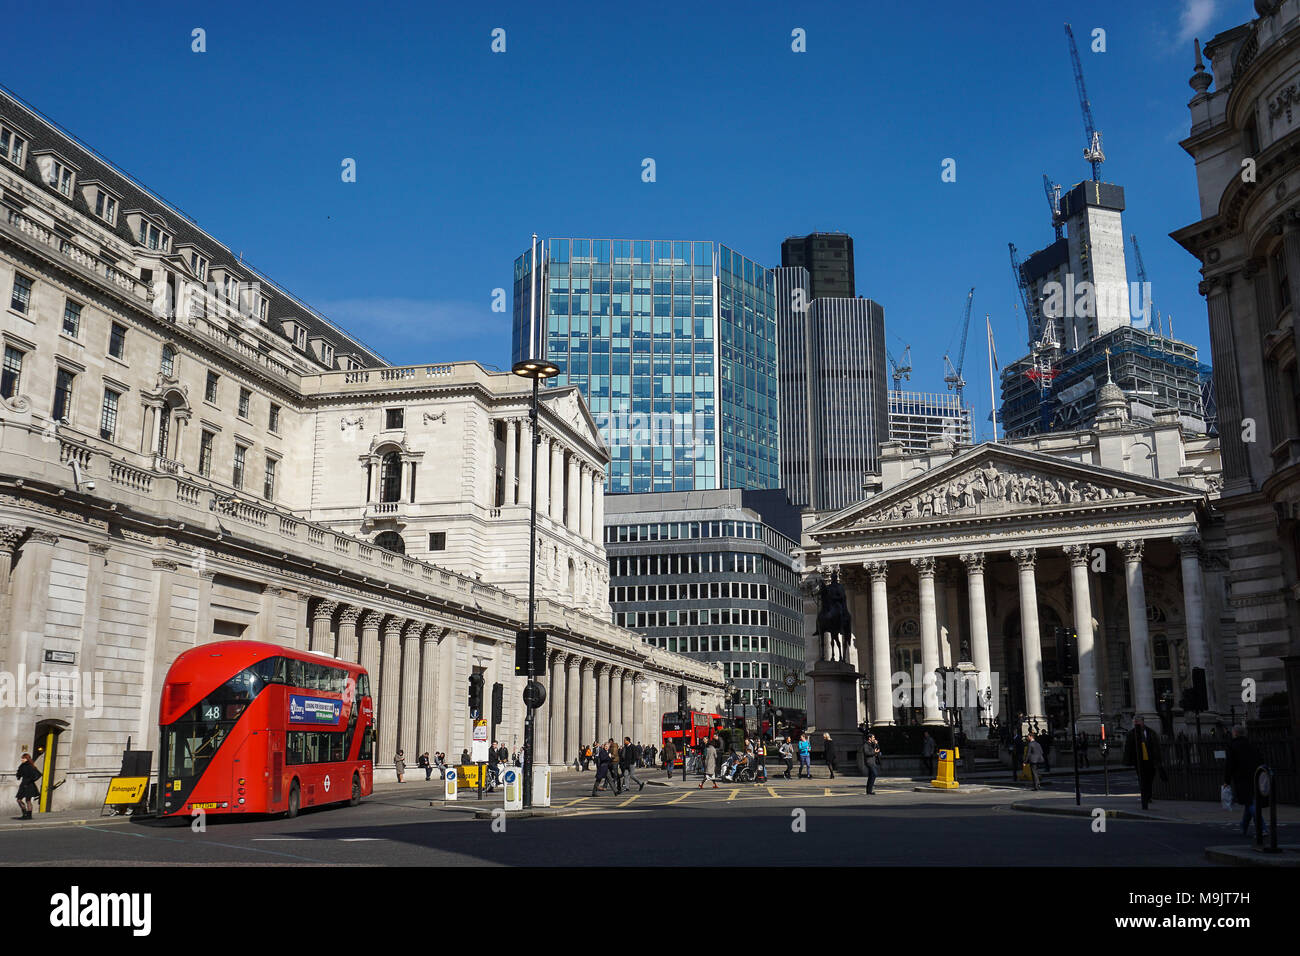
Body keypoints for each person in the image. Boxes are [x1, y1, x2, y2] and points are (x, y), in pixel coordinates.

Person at [1224, 725, 1267, 840]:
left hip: (1242, 778)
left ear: (1235, 733)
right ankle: (1243, 826)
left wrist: (1226, 781)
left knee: (1250, 803)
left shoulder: (1233, 746)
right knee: (1250, 802)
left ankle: (1262, 828)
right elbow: (1260, 759)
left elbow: (1230, 765)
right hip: (1256, 775)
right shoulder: (1251, 744)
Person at [1122, 715, 1165, 810]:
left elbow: (1156, 746)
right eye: (1135, 722)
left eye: (1138, 722)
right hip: (1139, 760)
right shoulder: (1131, 734)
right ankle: (1145, 796)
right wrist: (1128, 760)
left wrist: (1158, 759)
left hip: (1150, 759)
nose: (1136, 723)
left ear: (1142, 722)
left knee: (1150, 777)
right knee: (1142, 778)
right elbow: (1128, 748)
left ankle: (1148, 794)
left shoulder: (1150, 732)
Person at [14, 752, 40, 819]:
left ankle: (29, 815)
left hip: (29, 785)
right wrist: (18, 775)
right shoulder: (22, 766)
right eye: (22, 758)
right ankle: (25, 813)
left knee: (28, 800)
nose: (22, 759)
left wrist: (31, 780)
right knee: (19, 800)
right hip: (23, 784)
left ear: (27, 759)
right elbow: (19, 773)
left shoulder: (30, 766)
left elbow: (38, 774)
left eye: (23, 758)